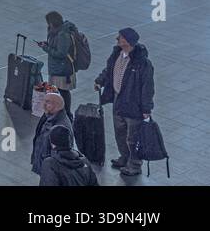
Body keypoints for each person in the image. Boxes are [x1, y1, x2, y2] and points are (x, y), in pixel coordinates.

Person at [93, 27, 155, 177]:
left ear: (128, 41)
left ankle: (134, 165)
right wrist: (100, 81)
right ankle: (124, 157)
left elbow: (147, 87)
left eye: (120, 37)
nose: (117, 39)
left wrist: (146, 108)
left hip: (133, 106)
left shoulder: (143, 63)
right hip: (118, 100)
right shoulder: (117, 54)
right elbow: (109, 70)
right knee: (120, 133)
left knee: (132, 139)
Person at [37, 11, 80, 115]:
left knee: (63, 92)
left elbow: (61, 53)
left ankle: (67, 113)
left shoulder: (62, 35)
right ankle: (59, 112)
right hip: (57, 68)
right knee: (57, 91)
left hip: (62, 69)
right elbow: (56, 46)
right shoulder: (55, 32)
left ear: (52, 23)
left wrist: (46, 48)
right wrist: (47, 44)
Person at [30, 91, 72, 176]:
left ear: (57, 106)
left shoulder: (61, 127)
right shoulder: (48, 116)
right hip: (44, 163)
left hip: (51, 170)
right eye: (44, 101)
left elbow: (60, 155)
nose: (43, 104)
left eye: (48, 102)